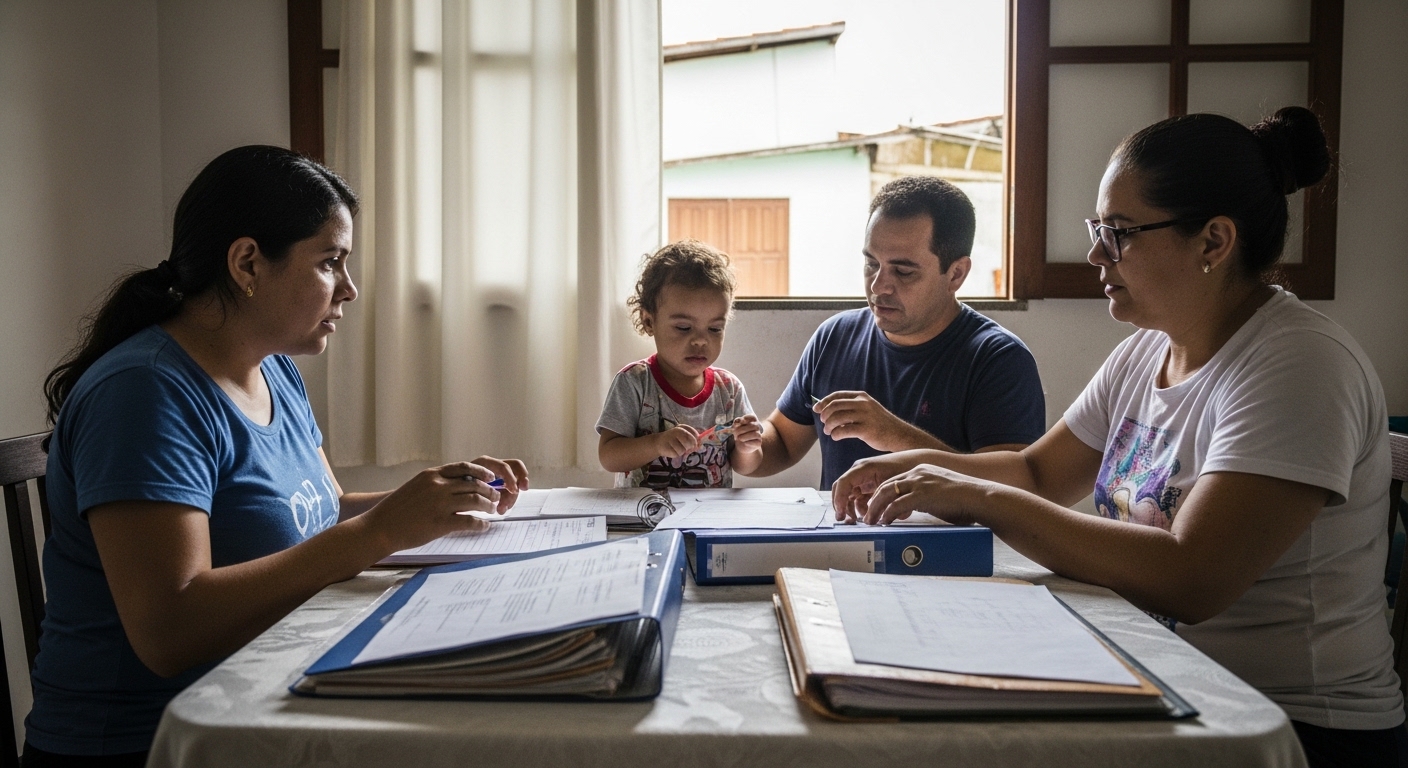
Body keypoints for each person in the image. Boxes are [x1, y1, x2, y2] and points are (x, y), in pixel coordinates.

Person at [834, 108, 1405, 768]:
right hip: (1160, 680)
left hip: (1285, 727)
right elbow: (1041, 474)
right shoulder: (1146, 351)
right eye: (1096, 230)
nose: (1096, 254)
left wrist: (974, 497)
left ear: (1214, 243)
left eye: (1120, 233)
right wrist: (918, 469)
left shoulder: (1300, 364)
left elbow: (1191, 577)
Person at [27, 145, 529, 766]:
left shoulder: (275, 369)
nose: (348, 289)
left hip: (266, 692)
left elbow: (319, 510)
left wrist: (437, 501)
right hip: (156, 744)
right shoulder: (144, 393)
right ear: (247, 263)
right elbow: (168, 630)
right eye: (330, 262)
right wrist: (381, 530)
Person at [742, 176, 1046, 490]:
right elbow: (781, 442)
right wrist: (741, 443)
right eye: (871, 264)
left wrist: (895, 436)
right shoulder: (834, 337)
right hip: (843, 539)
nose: (878, 286)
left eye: (903, 271)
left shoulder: (999, 360)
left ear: (956, 273)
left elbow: (1012, 496)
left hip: (945, 541)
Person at [597, 240, 763, 489]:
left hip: (710, 520)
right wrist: (656, 444)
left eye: (715, 328)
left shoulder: (729, 390)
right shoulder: (634, 382)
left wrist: (748, 447)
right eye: (684, 328)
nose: (700, 340)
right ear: (649, 321)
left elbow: (746, 466)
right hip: (644, 517)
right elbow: (609, 456)